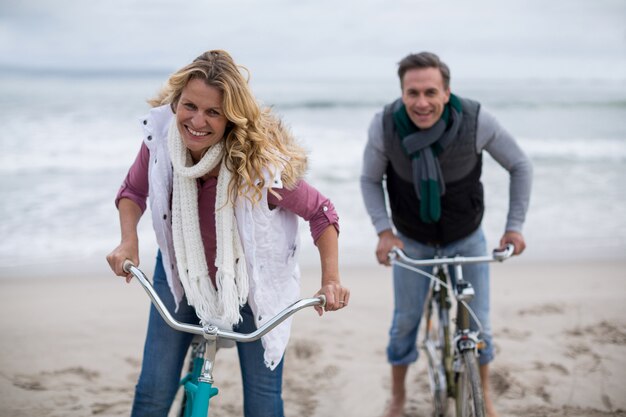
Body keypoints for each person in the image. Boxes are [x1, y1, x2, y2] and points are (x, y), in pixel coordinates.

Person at [106, 50, 350, 417]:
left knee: (264, 400)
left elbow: (321, 212)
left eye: (213, 112)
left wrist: (330, 280)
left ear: (231, 117)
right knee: (152, 393)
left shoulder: (259, 167)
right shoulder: (162, 145)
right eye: (190, 106)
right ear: (175, 103)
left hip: (252, 284)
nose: (197, 121)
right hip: (181, 273)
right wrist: (129, 239)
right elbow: (131, 192)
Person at [360, 52, 532, 417]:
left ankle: (483, 392)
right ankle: (398, 397)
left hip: (465, 235)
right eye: (412, 93)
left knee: (480, 323)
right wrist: (384, 232)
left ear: (447, 91)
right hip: (412, 239)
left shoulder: (476, 120)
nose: (421, 103)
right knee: (405, 322)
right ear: (402, 93)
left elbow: (520, 165)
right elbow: (370, 179)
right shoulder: (385, 125)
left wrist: (514, 226)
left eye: (430, 92)